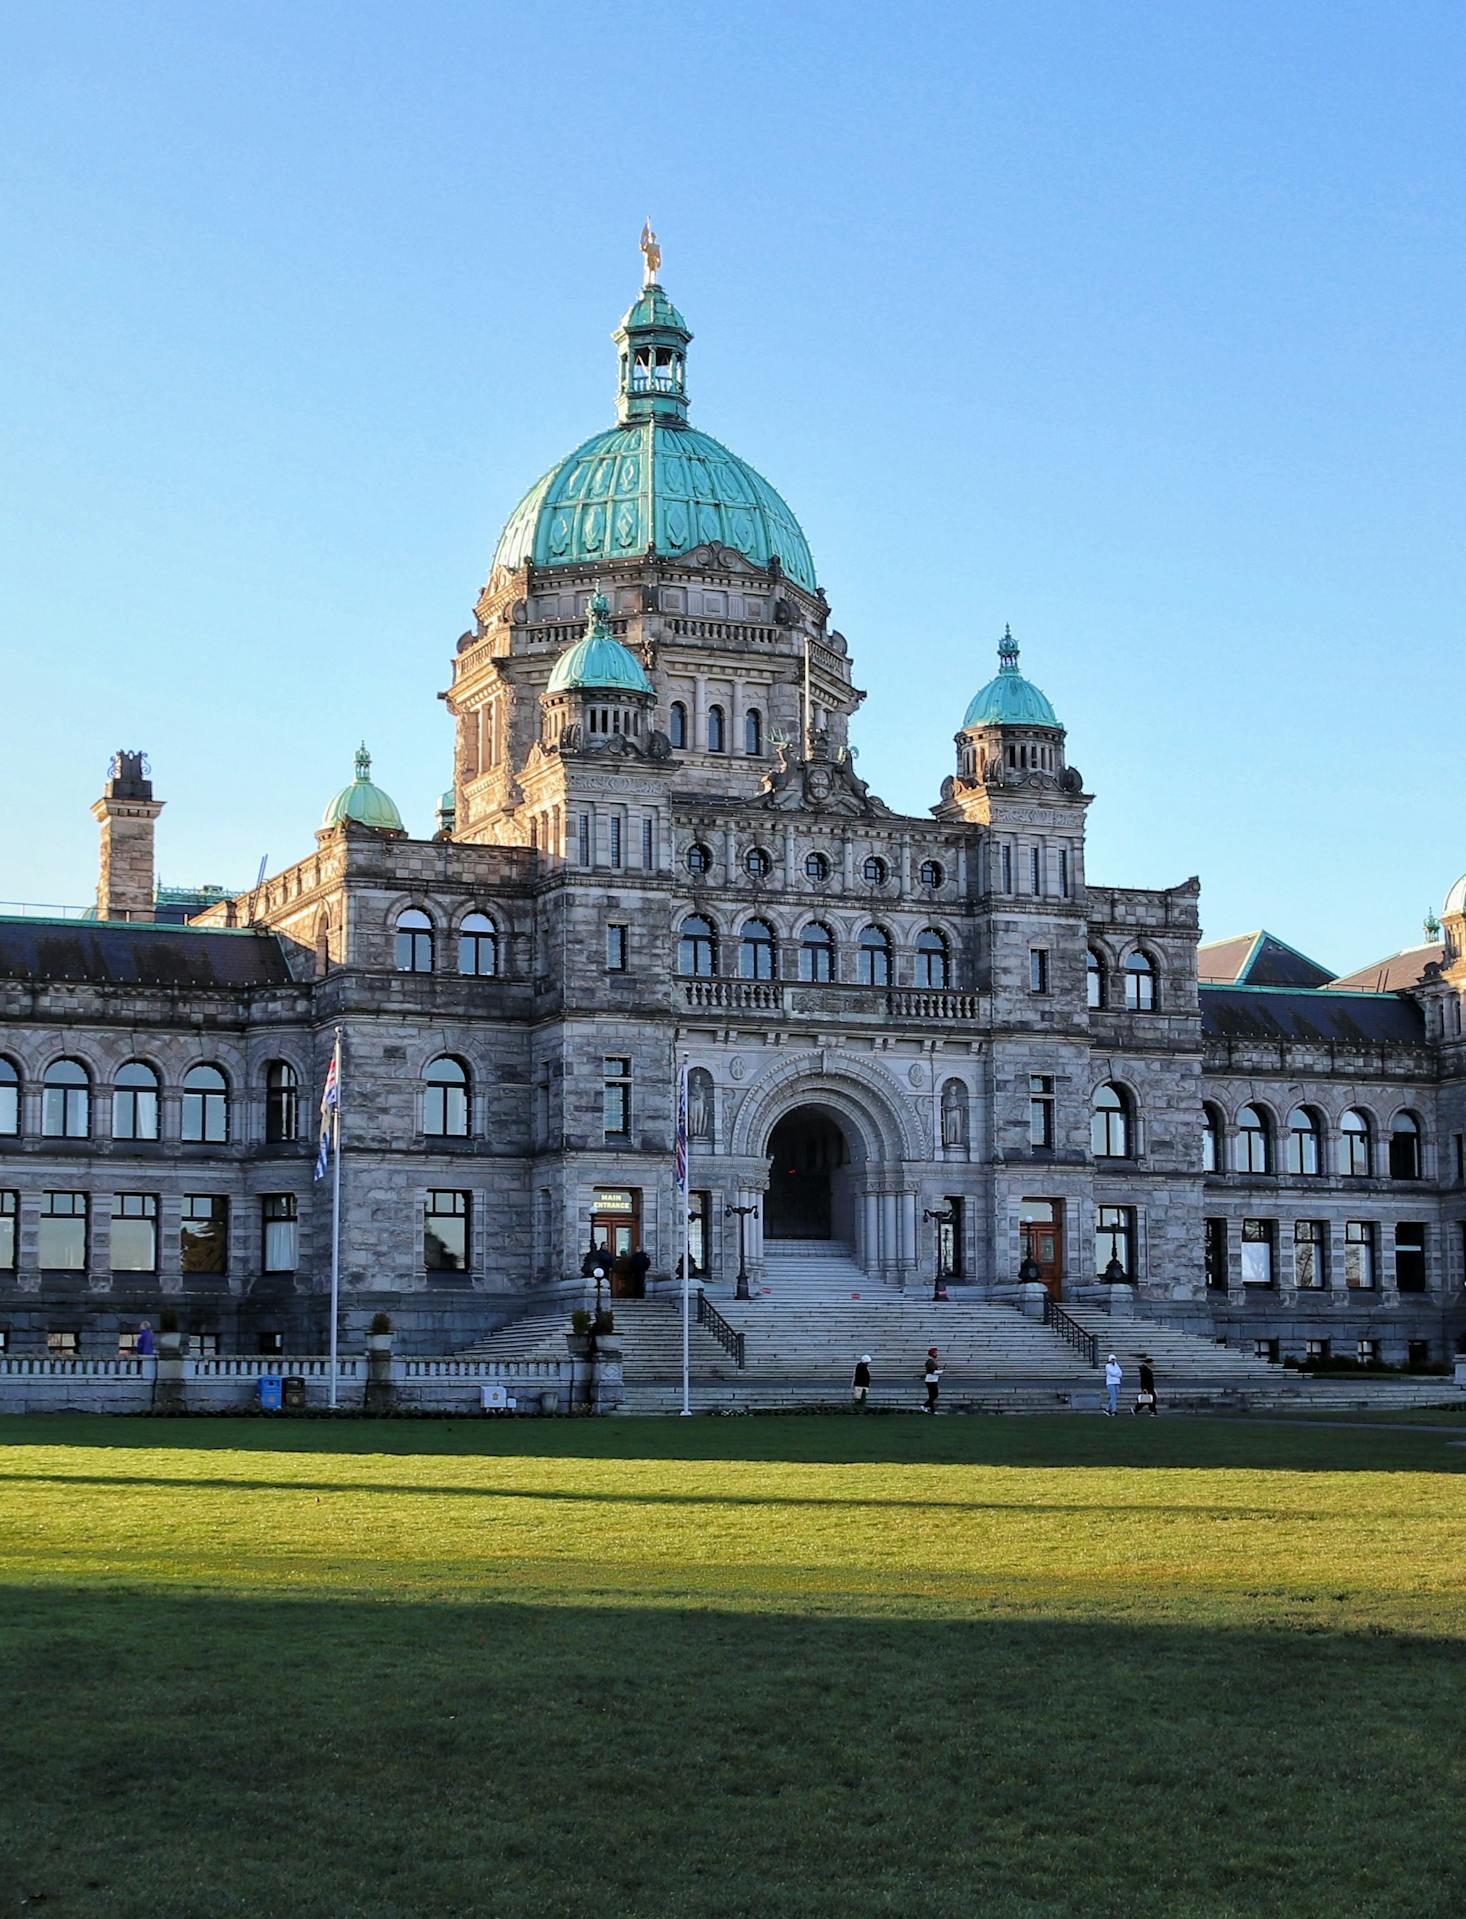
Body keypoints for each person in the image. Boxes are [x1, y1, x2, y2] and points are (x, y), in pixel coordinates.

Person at [922, 1347, 942, 1414]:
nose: (936, 1354)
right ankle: (925, 1405)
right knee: (935, 1394)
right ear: (932, 1353)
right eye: (935, 1353)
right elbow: (932, 1371)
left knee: (931, 1396)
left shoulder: (932, 1361)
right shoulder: (930, 1361)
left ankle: (932, 1411)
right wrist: (940, 1372)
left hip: (932, 1380)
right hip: (931, 1380)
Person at [1104, 1351, 1122, 1416]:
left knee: (1114, 1397)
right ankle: (1113, 1410)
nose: (1113, 1361)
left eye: (1114, 1359)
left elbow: (1120, 1373)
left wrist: (1117, 1374)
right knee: (1113, 1396)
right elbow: (1112, 1373)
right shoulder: (1107, 1366)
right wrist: (1117, 1374)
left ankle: (1107, 1409)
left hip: (1117, 1382)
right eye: (1112, 1359)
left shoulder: (1116, 1365)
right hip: (1110, 1382)